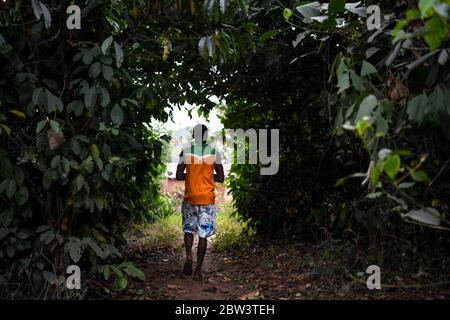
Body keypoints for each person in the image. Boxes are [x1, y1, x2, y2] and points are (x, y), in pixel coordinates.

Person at [176, 124, 224, 281]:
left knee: (189, 230)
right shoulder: (214, 153)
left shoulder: (185, 152)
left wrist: (190, 175)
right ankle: (198, 271)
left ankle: (189, 256)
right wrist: (209, 176)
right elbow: (221, 177)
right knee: (203, 234)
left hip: (190, 197)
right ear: (206, 136)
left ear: (193, 136)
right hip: (206, 199)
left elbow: (178, 175)